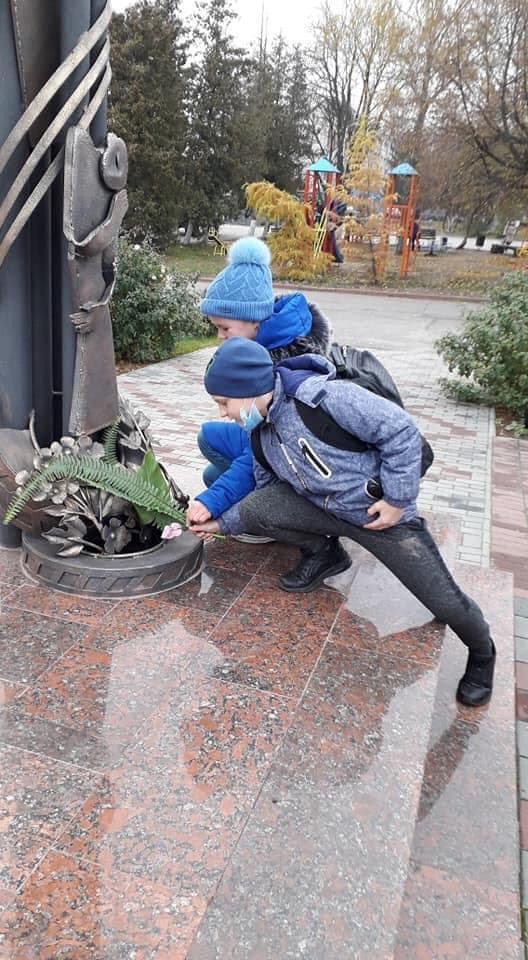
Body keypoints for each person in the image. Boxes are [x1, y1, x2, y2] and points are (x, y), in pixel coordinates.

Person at [190, 337, 496, 708]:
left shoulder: (322, 398)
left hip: (377, 517)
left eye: (224, 402)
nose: (223, 413)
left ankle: (483, 652)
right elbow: (267, 490)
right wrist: (220, 524)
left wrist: (397, 500)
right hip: (323, 510)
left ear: (249, 388)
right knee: (258, 508)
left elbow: (400, 431)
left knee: (443, 601)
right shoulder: (260, 433)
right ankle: (325, 554)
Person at [187, 237, 332, 541]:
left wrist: (216, 504)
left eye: (224, 328)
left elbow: (261, 447)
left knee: (218, 479)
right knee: (209, 448)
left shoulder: (282, 369)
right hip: (267, 441)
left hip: (290, 455)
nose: (219, 336)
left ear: (254, 320)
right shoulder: (262, 345)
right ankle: (248, 499)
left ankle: (264, 516)